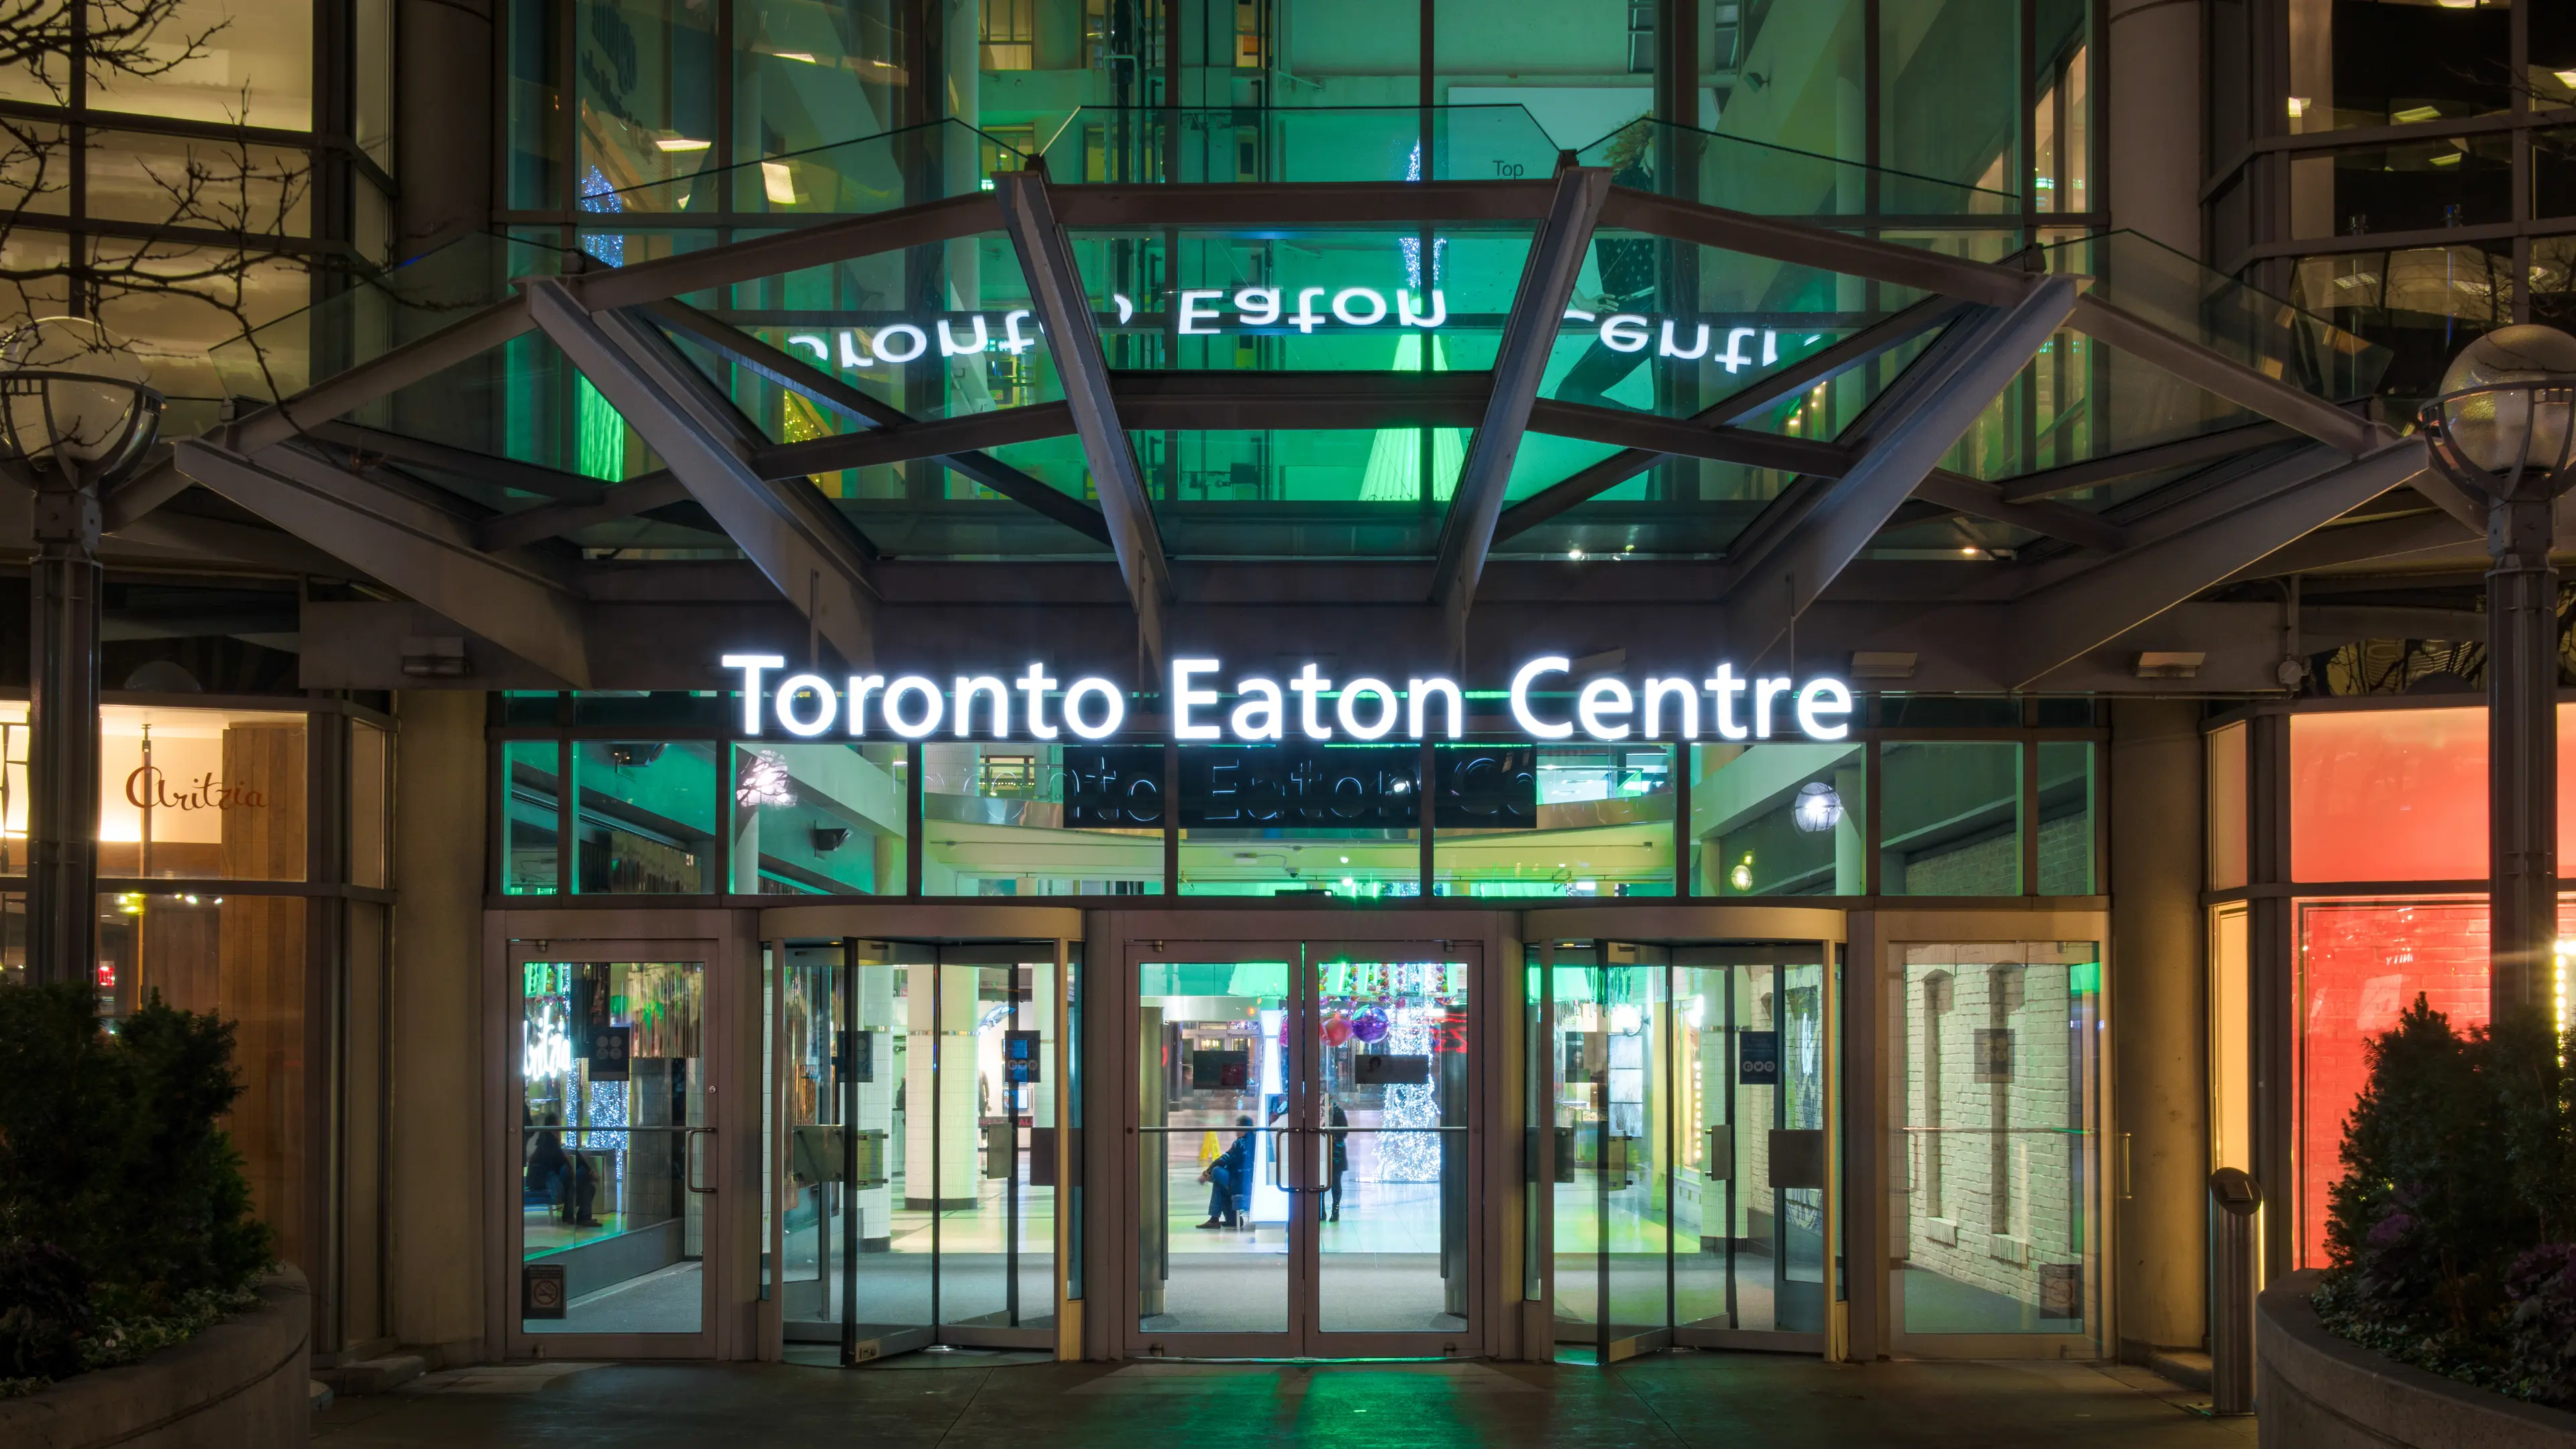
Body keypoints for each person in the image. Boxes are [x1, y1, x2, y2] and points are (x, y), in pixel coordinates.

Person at [1555, 119, 1660, 409]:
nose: (1663, 153)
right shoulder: (1616, 187)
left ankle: (1659, 429)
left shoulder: (1677, 188)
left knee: (1676, 409)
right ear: (1645, 144)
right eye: (1657, 143)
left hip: (1668, 306)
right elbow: (1562, 243)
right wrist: (1580, 300)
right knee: (1571, 394)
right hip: (1630, 311)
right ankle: (1653, 428)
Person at [1195, 1115, 1255, 1229]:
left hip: (1242, 1182)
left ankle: (1216, 1219)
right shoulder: (1256, 1140)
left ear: (1242, 1128)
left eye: (1237, 1126)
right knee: (1219, 1184)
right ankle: (1226, 1219)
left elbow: (1225, 1159)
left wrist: (1206, 1174)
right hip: (1249, 1181)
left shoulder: (1241, 1143)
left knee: (1217, 1172)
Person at [1326, 1097, 1351, 1223]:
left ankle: (1335, 1210)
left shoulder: (1338, 1112)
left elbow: (1344, 1132)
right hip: (1323, 1151)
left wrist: (1334, 1137)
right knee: (1320, 1182)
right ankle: (1321, 1210)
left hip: (1336, 1152)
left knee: (1336, 1182)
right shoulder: (1317, 1112)